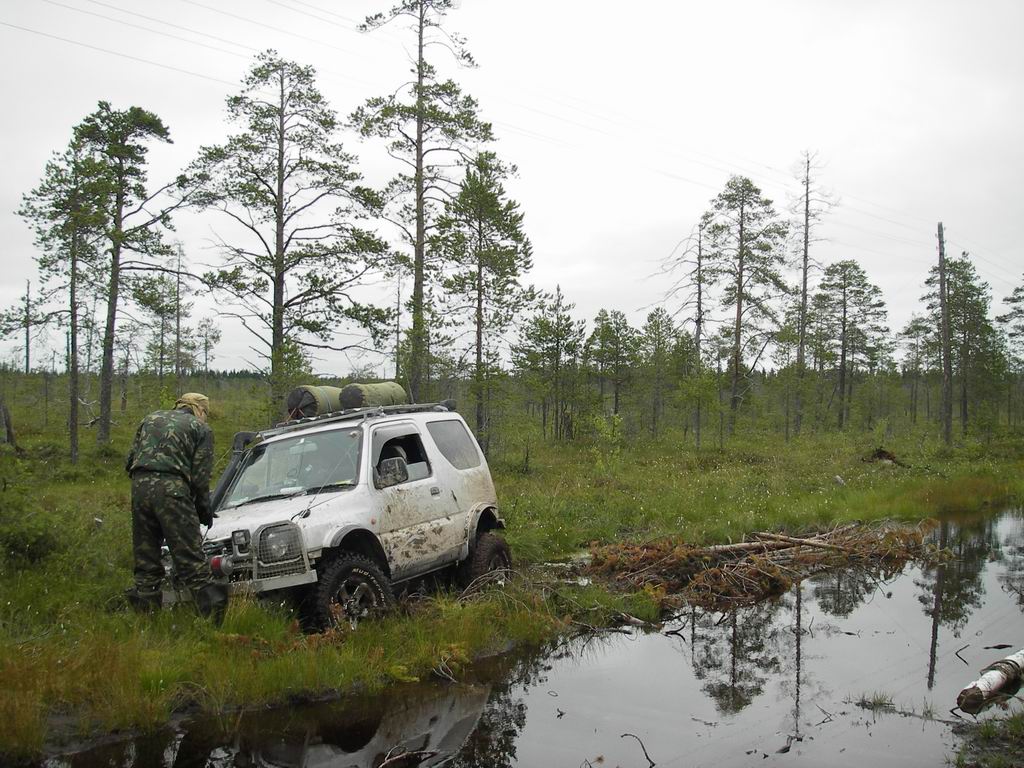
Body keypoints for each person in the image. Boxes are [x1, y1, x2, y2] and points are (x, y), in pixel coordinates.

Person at [124, 393, 227, 623]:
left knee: (146, 561)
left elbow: (130, 459)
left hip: (139, 488)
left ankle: (146, 624)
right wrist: (203, 511)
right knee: (192, 560)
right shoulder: (200, 429)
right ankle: (211, 625)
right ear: (201, 410)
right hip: (172, 491)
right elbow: (200, 479)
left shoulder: (150, 419)